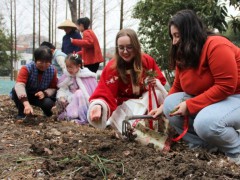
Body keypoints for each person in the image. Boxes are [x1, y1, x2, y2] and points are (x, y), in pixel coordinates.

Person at [149, 9, 240, 165]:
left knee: (205, 123)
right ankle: (206, 146)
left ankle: (236, 150)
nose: (174, 42)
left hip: (234, 96)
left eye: (177, 36)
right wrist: (163, 107)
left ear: (190, 32)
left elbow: (226, 86)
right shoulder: (185, 53)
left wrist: (190, 105)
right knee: (171, 105)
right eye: (172, 37)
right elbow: (177, 86)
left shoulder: (216, 45)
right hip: (217, 99)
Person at [87, 28, 167, 134]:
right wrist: (99, 106)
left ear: (136, 46)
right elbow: (104, 91)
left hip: (147, 104)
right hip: (124, 107)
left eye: (129, 47)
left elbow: (160, 84)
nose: (125, 52)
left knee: (155, 93)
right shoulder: (112, 67)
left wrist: (152, 84)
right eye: (121, 48)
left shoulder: (147, 61)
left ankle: (154, 127)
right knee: (126, 127)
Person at [11, 46, 58, 119]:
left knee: (48, 103)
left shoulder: (52, 70)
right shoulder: (26, 68)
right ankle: (21, 114)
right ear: (35, 60)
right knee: (15, 90)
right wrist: (26, 104)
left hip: (39, 96)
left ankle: (47, 114)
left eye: (47, 62)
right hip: (26, 94)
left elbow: (53, 87)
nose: (44, 65)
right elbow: (19, 85)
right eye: (41, 62)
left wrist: (44, 93)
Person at [56, 53, 98, 124]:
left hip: (83, 101)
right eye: (67, 67)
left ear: (78, 66)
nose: (69, 69)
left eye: (71, 67)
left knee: (79, 93)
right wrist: (62, 97)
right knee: (72, 112)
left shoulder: (86, 75)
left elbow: (91, 90)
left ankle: (82, 116)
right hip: (70, 100)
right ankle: (70, 115)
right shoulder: (67, 76)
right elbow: (62, 88)